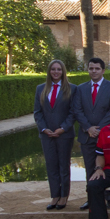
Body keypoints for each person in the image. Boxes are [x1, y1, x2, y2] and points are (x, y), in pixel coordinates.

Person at [73, 57, 110, 210]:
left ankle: (109, 197)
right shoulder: (80, 88)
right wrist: (88, 128)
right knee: (89, 167)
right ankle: (92, 198)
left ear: (103, 70)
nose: (93, 71)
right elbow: (77, 110)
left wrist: (99, 128)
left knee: (106, 167)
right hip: (87, 135)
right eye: (91, 68)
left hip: (105, 135)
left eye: (97, 68)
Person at [33, 59, 76, 210]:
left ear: (63, 71)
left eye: (58, 69)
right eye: (53, 69)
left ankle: (64, 196)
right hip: (47, 134)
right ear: (49, 71)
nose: (56, 72)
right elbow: (37, 112)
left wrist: (62, 128)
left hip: (64, 134)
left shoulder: (71, 89)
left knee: (64, 166)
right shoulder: (41, 89)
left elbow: (73, 112)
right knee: (51, 166)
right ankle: (55, 196)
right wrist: (44, 129)